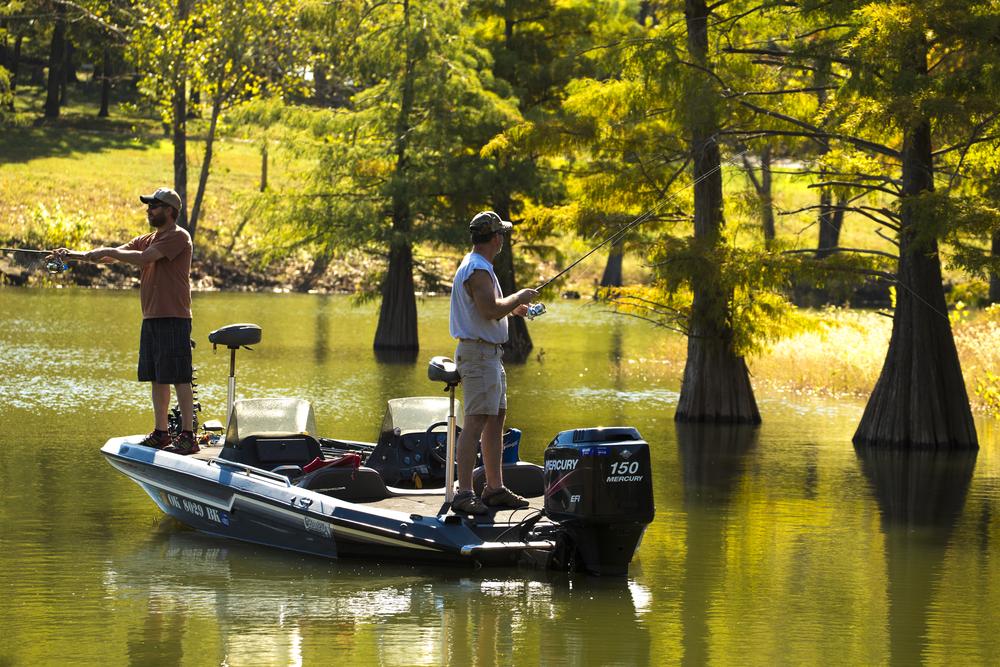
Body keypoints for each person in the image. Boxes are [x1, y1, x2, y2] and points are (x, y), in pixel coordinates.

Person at [52, 188, 197, 454]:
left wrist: (108, 251)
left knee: (180, 377)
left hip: (174, 316)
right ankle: (162, 432)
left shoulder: (178, 237)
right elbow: (112, 255)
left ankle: (188, 436)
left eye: (154, 206)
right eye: (149, 206)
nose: (148, 210)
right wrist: (73, 255)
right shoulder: (148, 238)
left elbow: (143, 258)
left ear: (169, 211)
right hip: (152, 317)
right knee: (157, 377)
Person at [448, 210, 539, 515]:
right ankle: (463, 494)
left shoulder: (480, 266)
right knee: (475, 422)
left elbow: (487, 308)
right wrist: (519, 296)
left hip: (489, 355)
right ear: (496, 237)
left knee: (495, 421)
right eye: (502, 234)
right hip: (478, 356)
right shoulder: (476, 268)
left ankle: (494, 489)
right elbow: (489, 310)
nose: (503, 239)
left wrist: (517, 309)